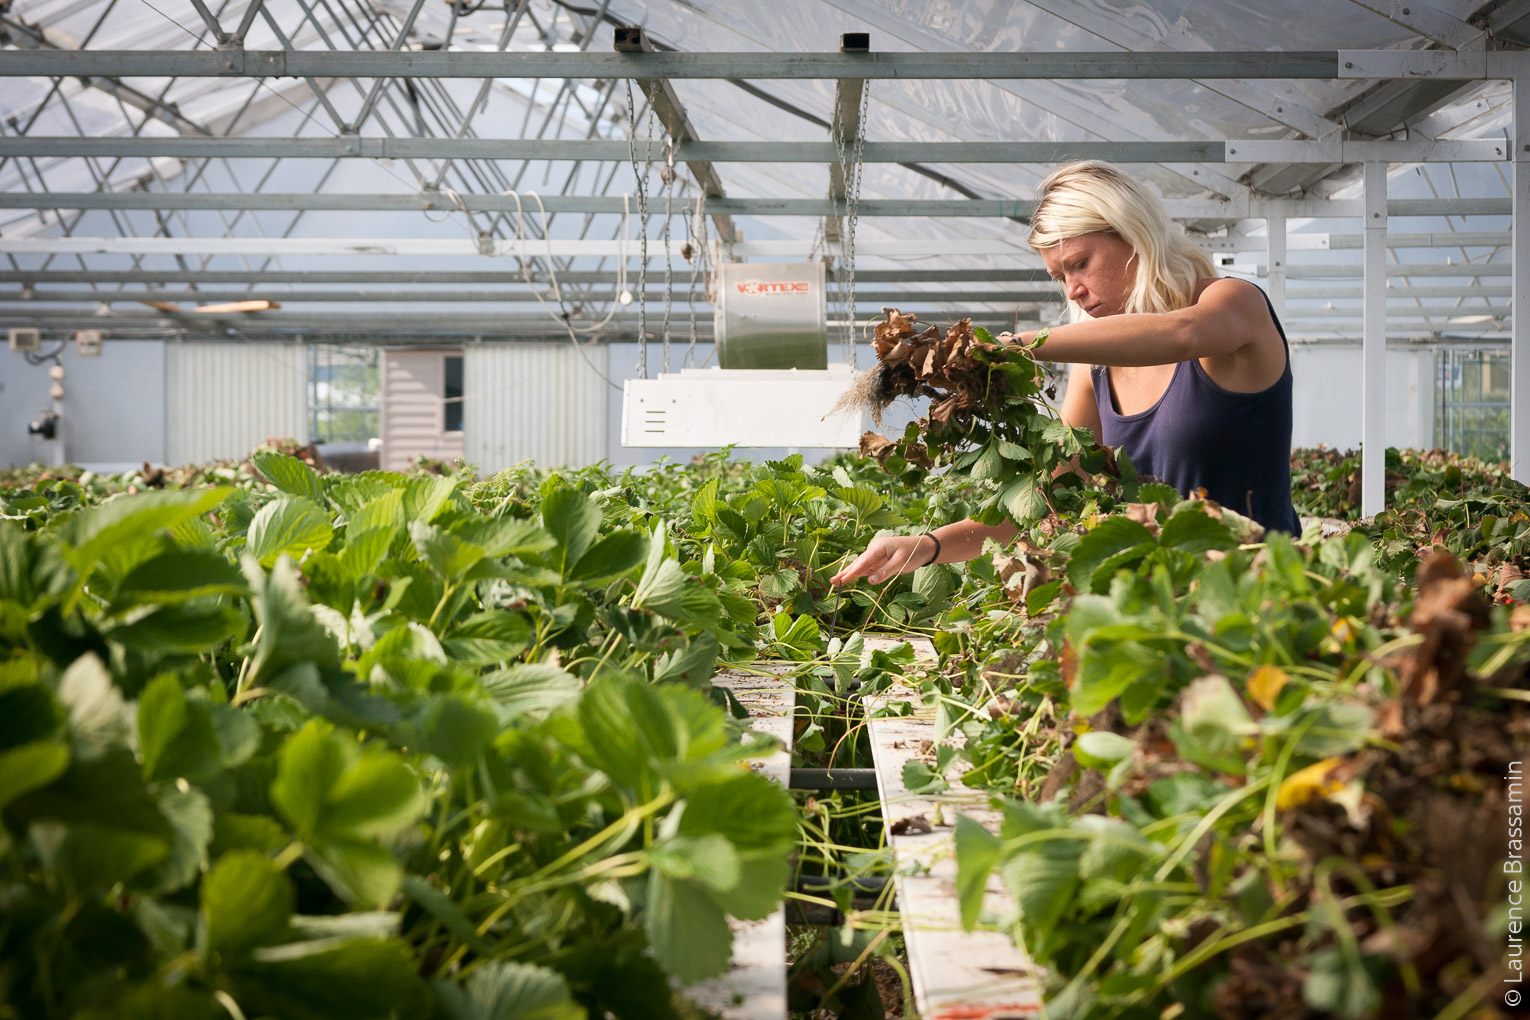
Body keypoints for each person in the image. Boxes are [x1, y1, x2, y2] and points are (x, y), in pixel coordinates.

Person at [830, 159, 1301, 588]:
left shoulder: (1233, 304)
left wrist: (1012, 346)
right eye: (1059, 276)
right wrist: (926, 545)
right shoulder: (1094, 365)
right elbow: (1051, 497)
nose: (1073, 290)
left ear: (1134, 234)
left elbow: (1183, 335)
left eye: (1080, 264)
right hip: (1153, 606)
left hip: (1259, 594)